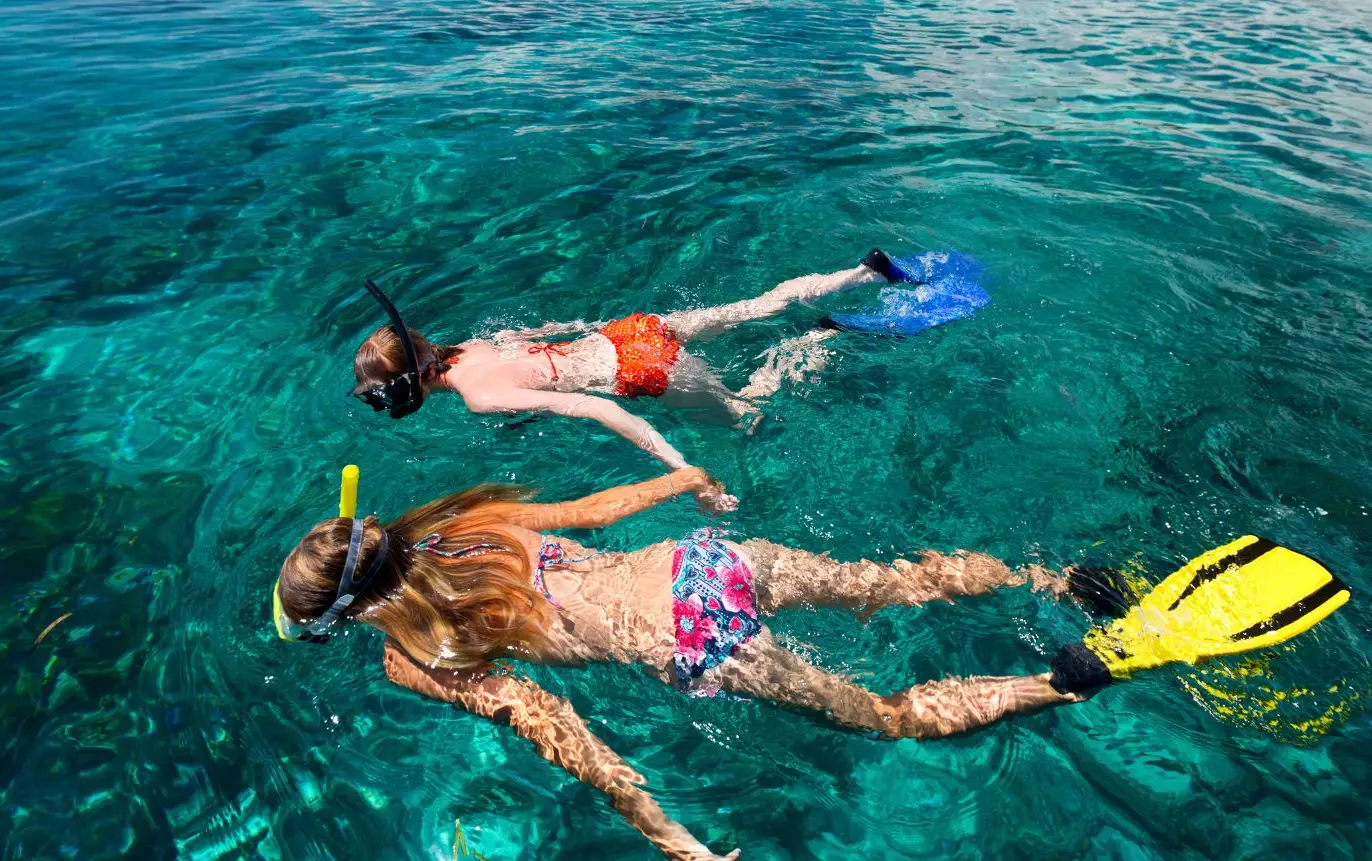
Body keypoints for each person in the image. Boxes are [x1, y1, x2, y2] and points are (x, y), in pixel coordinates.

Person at [269, 466, 1090, 861]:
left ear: (355, 614)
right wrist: (684, 477)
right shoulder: (466, 520)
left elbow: (548, 720)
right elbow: (591, 511)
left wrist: (670, 836)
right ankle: (1043, 576)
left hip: (698, 640)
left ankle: (1060, 680)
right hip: (702, 561)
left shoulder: (411, 654)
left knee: (889, 717)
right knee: (892, 584)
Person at [349, 252, 916, 512]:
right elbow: (552, 334)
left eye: (387, 394)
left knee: (748, 417)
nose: (386, 404)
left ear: (417, 378)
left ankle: (818, 339)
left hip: (642, 371)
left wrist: (684, 473)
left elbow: (602, 412)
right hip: (631, 331)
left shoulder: (478, 397)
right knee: (758, 306)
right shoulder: (470, 347)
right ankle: (863, 272)